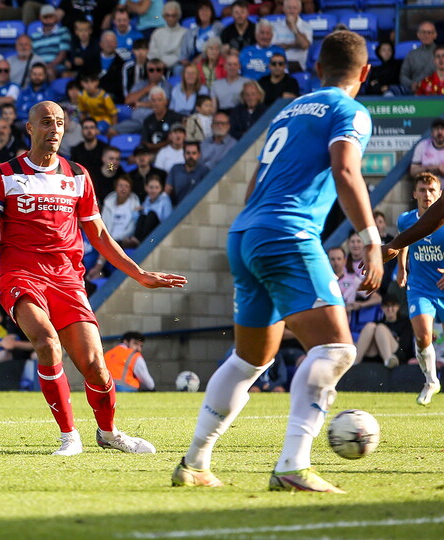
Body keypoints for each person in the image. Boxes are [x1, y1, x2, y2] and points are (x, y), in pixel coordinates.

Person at [172, 31, 379, 493]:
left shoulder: (289, 110)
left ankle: (194, 462)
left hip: (246, 232)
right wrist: (371, 240)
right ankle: (293, 465)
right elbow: (346, 169)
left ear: (317, 70)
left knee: (250, 359)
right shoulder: (350, 111)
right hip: (287, 232)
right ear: (363, 74)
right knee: (336, 349)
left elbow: (255, 184)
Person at [0, 100, 186, 456]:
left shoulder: (77, 176)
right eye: (46, 122)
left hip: (66, 279)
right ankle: (69, 435)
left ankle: (108, 433)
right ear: (30, 128)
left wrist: (139, 274)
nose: (54, 128)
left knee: (96, 368)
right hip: (21, 274)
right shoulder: (5, 174)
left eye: (59, 122)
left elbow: (101, 236)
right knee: (45, 341)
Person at [389, 172, 444, 403]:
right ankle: (431, 381)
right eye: (422, 190)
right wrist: (402, 268)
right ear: (414, 194)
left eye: (432, 190)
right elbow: (404, 242)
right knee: (423, 337)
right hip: (420, 287)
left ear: (440, 194)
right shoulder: (405, 220)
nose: (427, 194)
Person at [354, 295, 412, 370]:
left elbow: (405, 345)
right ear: (382, 308)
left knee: (380, 328)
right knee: (370, 326)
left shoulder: (405, 322)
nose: (390, 309)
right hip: (377, 354)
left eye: (393, 306)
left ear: (397, 307)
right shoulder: (377, 323)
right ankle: (356, 361)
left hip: (397, 355)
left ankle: (388, 359)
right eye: (387, 306)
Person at [400, 22, 437, 95]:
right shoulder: (412, 54)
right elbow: (403, 75)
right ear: (418, 35)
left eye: (429, 32)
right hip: (415, 94)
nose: (426, 35)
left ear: (435, 35)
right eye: (423, 32)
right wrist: (412, 84)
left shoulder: (441, 53)